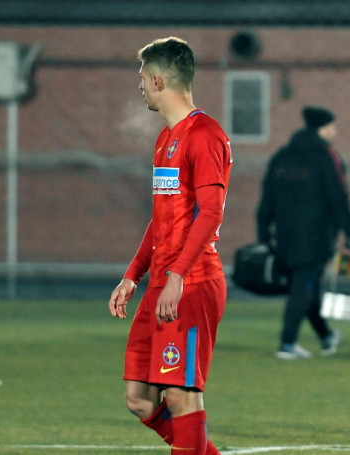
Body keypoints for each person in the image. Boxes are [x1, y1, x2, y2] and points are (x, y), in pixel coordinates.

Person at [108, 36, 232, 455]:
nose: (139, 86)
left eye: (142, 78)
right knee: (140, 399)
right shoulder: (166, 140)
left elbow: (210, 213)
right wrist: (132, 274)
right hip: (162, 282)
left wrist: (178, 275)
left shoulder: (205, 135)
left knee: (180, 396)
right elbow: (161, 218)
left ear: (158, 80)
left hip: (192, 283)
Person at [257, 105, 350, 360]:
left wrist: (263, 234)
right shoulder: (326, 156)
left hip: (284, 236)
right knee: (302, 288)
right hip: (316, 236)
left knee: (302, 286)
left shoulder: (282, 155)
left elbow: (267, 197)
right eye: (333, 127)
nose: (335, 132)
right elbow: (338, 196)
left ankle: (326, 336)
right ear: (322, 129)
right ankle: (287, 344)